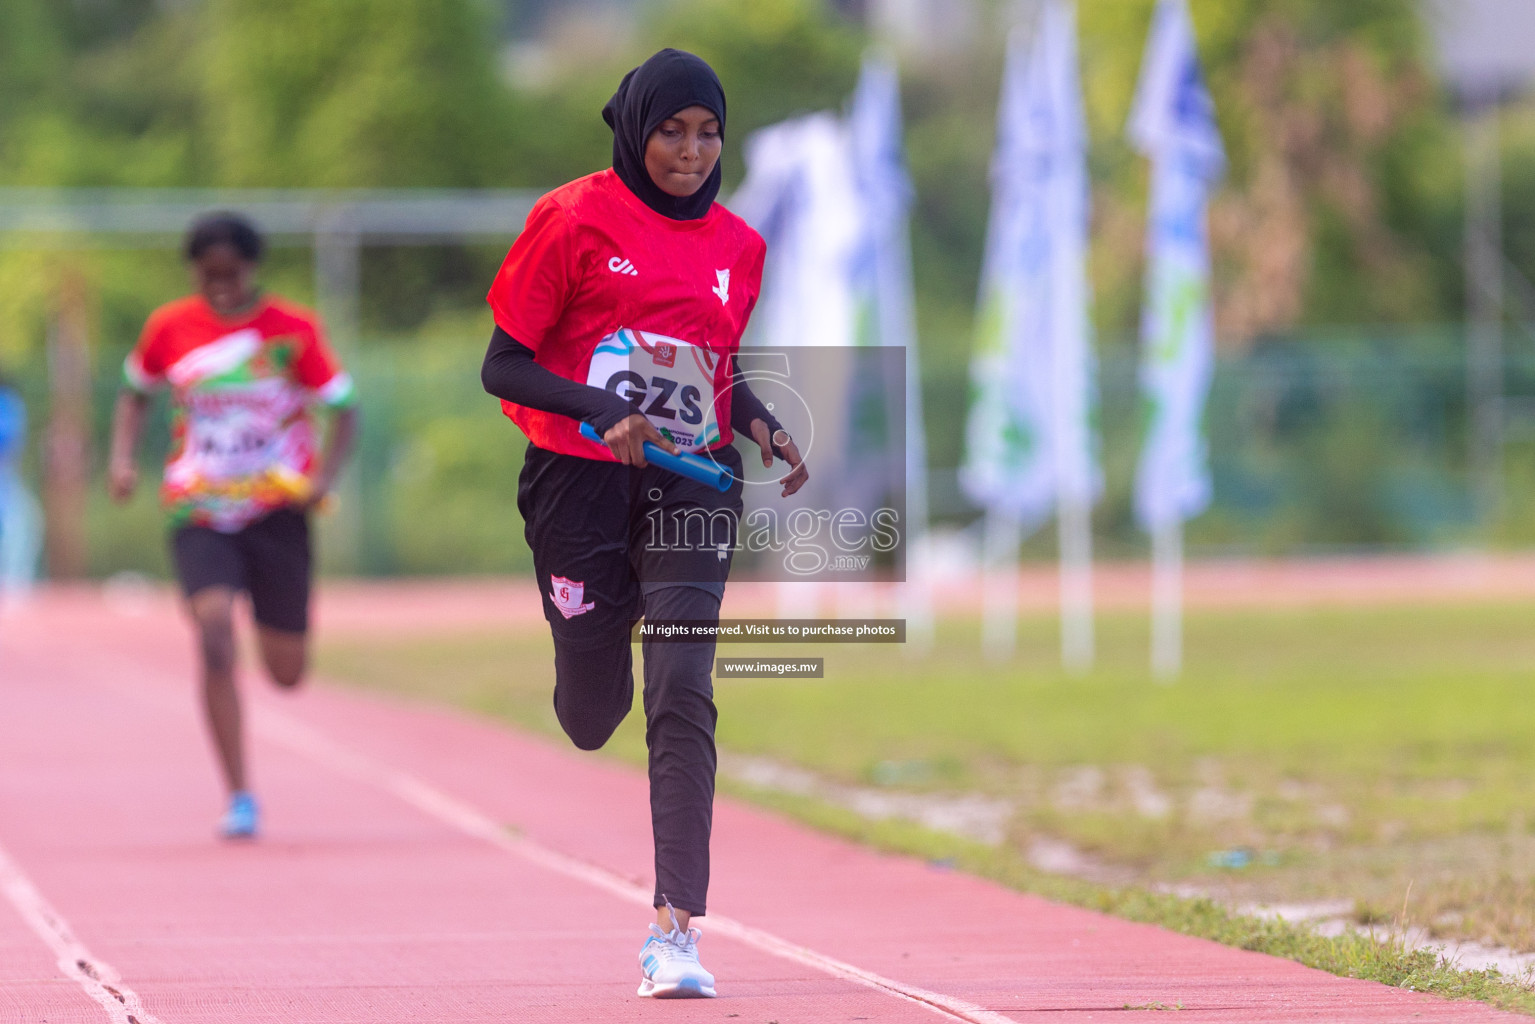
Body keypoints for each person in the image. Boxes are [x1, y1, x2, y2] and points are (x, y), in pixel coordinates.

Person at [480, 48, 807, 999]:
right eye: (672, 130)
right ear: (634, 129)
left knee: (680, 681)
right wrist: (596, 406)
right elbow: (502, 364)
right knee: (591, 716)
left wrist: (763, 425)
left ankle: (675, 931)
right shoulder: (572, 218)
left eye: (708, 132)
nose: (691, 151)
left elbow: (716, 371)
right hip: (576, 484)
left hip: (693, 482)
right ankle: (589, 629)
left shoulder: (738, 246)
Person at [108, 212, 358, 840]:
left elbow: (344, 409)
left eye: (231, 273)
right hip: (199, 507)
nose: (220, 286)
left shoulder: (293, 331)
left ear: (252, 269)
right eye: (207, 275)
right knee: (214, 631)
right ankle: (240, 794)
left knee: (287, 673)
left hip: (277, 509)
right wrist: (121, 458)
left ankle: (273, 633)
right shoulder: (169, 328)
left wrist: (324, 478)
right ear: (194, 272)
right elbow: (135, 392)